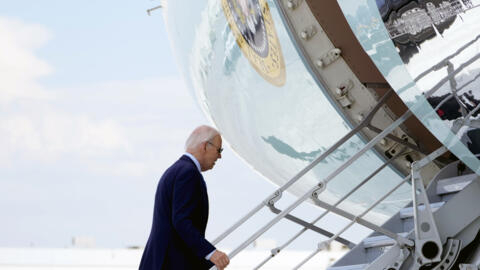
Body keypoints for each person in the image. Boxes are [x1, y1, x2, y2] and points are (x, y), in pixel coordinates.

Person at [139, 125, 230, 270]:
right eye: (219, 150)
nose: (219, 156)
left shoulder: (176, 170)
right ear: (205, 146)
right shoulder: (189, 173)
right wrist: (211, 253)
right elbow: (181, 221)